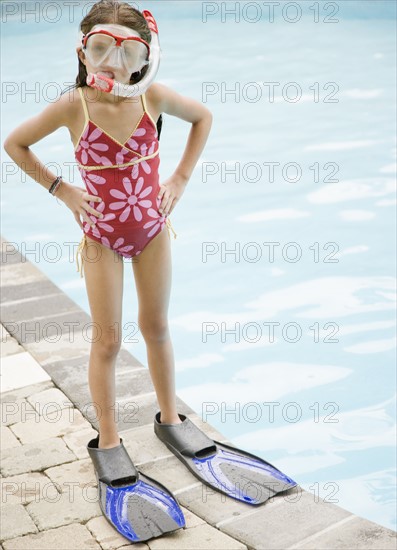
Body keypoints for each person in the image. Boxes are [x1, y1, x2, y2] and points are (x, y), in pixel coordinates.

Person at [4, 1, 296, 544]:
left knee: (157, 327)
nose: (112, 65)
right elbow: (14, 143)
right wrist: (62, 189)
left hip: (153, 229)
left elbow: (204, 117)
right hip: (101, 239)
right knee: (109, 339)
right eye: (100, 50)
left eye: (128, 52)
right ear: (83, 50)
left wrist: (180, 178)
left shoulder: (153, 97)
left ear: (145, 57)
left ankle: (170, 421)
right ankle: (111, 441)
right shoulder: (75, 105)